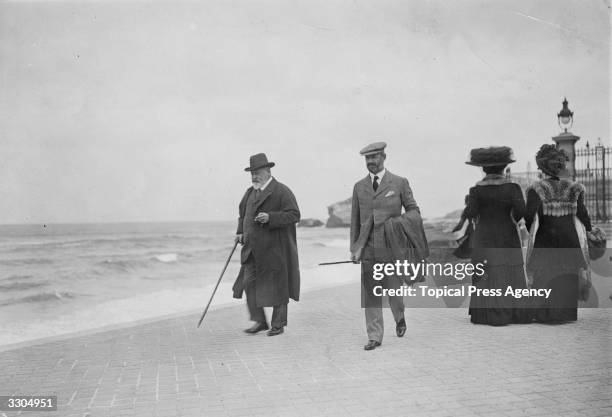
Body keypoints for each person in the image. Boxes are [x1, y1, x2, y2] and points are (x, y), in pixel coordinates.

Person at [350, 142, 428, 350]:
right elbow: (355, 222)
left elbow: (414, 211)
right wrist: (354, 248)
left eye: (374, 157)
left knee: (394, 292)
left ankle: (399, 317)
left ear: (384, 157)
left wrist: (398, 224)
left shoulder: (399, 183)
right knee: (371, 293)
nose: (370, 162)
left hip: (392, 249)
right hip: (368, 249)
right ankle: (374, 336)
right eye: (367, 159)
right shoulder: (359, 187)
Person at [232, 153, 301, 336]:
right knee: (248, 283)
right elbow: (242, 215)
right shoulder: (249, 192)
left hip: (274, 249)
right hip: (251, 250)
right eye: (252, 173)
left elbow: (295, 215)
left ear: (268, 171)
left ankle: (278, 324)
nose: (255, 176)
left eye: (258, 172)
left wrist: (271, 217)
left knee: (278, 286)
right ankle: (260, 321)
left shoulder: (281, 191)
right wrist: (240, 232)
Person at [525, 144, 592, 323]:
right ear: (562, 165)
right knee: (568, 271)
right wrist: (589, 230)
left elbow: (529, 216)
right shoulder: (574, 188)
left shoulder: (536, 189)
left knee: (545, 272)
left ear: (541, 166)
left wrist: (532, 229)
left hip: (545, 237)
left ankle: (545, 314)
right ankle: (566, 314)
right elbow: (583, 215)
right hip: (568, 237)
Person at [465, 146, 530, 325]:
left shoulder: (476, 190)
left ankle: (485, 313)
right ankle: (514, 312)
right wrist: (510, 219)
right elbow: (521, 211)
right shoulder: (513, 188)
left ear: (483, 169)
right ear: (504, 167)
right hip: (507, 234)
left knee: (487, 271)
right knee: (508, 269)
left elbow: (471, 212)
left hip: (484, 235)